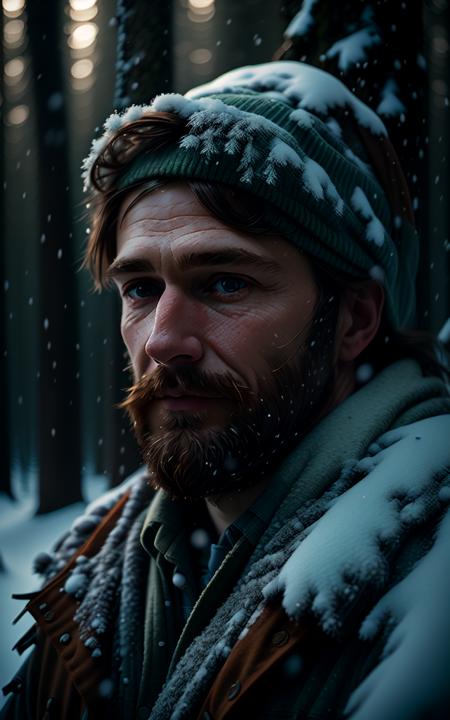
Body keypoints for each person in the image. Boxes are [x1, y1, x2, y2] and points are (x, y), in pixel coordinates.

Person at [2, 61, 450, 720]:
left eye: (225, 283)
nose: (162, 340)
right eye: (140, 289)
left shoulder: (427, 573)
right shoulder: (104, 565)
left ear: (354, 320)